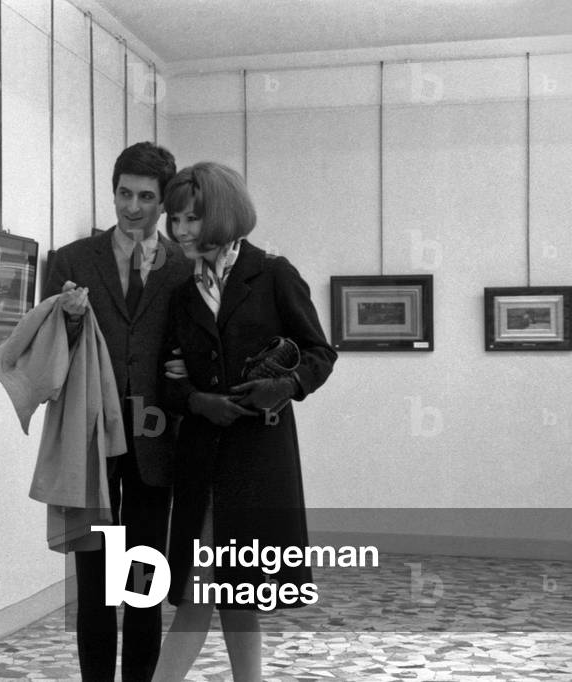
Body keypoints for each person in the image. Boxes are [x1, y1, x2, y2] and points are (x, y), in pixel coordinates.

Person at [152, 162, 337, 682]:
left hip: (258, 460)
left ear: (224, 216)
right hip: (201, 461)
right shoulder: (183, 293)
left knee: (230, 591)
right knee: (205, 587)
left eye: (192, 219)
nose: (182, 231)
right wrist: (195, 400)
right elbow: (169, 380)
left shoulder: (273, 273)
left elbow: (321, 353)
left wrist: (284, 386)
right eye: (176, 220)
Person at [44, 142, 192, 681]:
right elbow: (49, 347)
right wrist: (74, 321)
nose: (132, 207)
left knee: (143, 581)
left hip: (158, 442)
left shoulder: (184, 265)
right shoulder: (71, 261)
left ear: (163, 202)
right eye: (124, 193)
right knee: (98, 581)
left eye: (146, 197)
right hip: (91, 440)